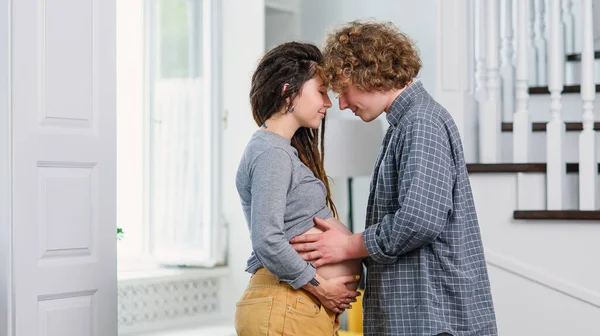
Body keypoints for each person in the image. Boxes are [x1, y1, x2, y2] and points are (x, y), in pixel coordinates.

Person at [290, 21, 498, 336]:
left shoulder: (421, 122)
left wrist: (348, 246)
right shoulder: (405, 124)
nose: (342, 104)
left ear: (368, 74)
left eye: (344, 90)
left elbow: (419, 220)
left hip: (432, 318)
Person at [234, 41, 362, 336]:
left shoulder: (280, 150)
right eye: (321, 91)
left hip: (295, 307)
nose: (328, 103)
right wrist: (320, 286)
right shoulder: (271, 152)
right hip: (286, 304)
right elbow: (267, 240)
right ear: (288, 91)